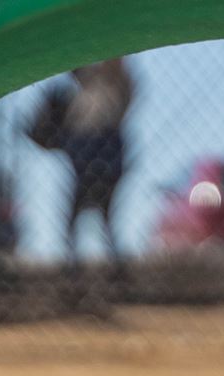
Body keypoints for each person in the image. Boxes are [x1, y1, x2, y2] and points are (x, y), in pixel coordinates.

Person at [56, 58, 134, 270]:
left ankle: (111, 265)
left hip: (104, 152)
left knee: (104, 214)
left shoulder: (113, 86)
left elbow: (116, 66)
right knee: (77, 215)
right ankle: (73, 265)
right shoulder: (86, 91)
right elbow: (75, 68)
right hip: (85, 154)